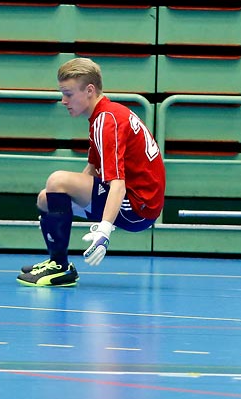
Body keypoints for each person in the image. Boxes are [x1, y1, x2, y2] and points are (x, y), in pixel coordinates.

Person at [18, 57, 166, 286]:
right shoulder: (104, 115)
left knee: (57, 180)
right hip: (137, 203)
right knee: (46, 198)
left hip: (137, 207)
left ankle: (59, 268)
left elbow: (118, 183)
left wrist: (104, 230)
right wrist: (58, 209)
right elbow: (93, 170)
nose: (63, 100)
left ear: (89, 90)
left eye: (68, 93)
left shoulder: (107, 121)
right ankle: (58, 262)